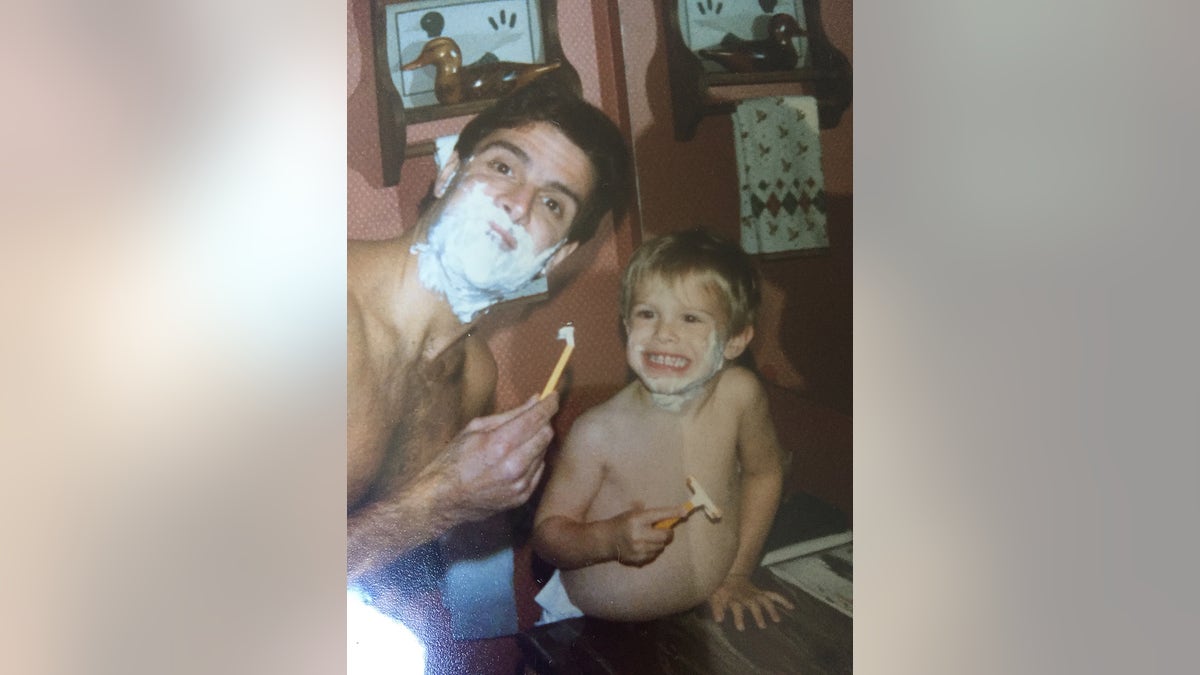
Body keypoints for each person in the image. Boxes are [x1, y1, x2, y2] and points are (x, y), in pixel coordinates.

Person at [347, 79, 629, 609]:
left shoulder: (475, 373)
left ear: (557, 256)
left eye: (551, 203)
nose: (518, 205)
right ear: (450, 168)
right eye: (503, 167)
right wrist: (446, 498)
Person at [531, 229, 794, 631]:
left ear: (735, 340)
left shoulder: (740, 395)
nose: (664, 333)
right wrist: (608, 539)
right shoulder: (599, 432)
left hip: (702, 620)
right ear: (625, 326)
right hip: (594, 631)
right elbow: (548, 537)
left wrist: (738, 573)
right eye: (647, 314)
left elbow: (765, 472)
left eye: (690, 318)